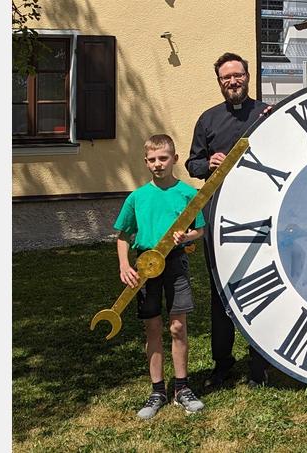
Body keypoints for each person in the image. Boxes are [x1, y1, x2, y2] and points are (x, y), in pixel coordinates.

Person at [186, 52, 272, 388]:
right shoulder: (208, 119)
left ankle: (259, 364)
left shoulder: (267, 114)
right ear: (219, 82)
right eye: (226, 78)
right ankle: (222, 364)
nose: (232, 81)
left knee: (260, 285)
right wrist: (207, 163)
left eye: (237, 75)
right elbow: (192, 164)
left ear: (247, 77)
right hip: (218, 216)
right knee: (219, 289)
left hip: (260, 211)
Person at [114, 134, 207, 419]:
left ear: (174, 159)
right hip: (145, 266)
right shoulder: (137, 197)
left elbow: (200, 230)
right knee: (152, 328)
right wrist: (124, 266)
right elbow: (123, 236)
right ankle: (157, 391)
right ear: (146, 162)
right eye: (152, 159)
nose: (158, 164)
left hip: (175, 264)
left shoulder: (188, 194)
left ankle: (182, 388)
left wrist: (187, 236)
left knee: (178, 327)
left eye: (163, 158)